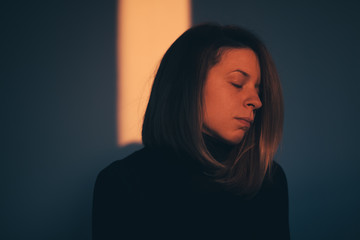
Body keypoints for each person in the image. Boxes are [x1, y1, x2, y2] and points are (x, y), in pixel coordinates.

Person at [92, 23, 290, 239]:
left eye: (258, 89)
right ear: (187, 86)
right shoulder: (122, 182)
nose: (256, 101)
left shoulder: (266, 180)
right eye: (237, 83)